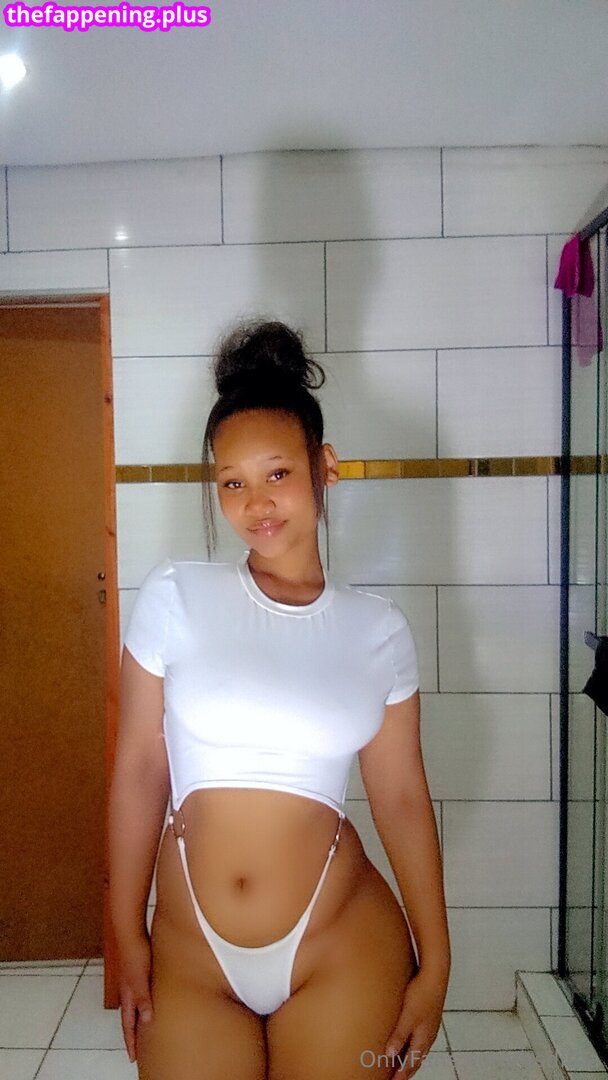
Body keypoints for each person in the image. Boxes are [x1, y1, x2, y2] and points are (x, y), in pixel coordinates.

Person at [108, 318, 451, 1080]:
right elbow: (139, 770)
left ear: (324, 467)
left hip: (339, 940)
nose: (255, 503)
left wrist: (437, 963)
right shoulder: (175, 597)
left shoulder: (378, 631)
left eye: (277, 474)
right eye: (231, 482)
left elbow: (400, 797)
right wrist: (124, 929)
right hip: (193, 953)